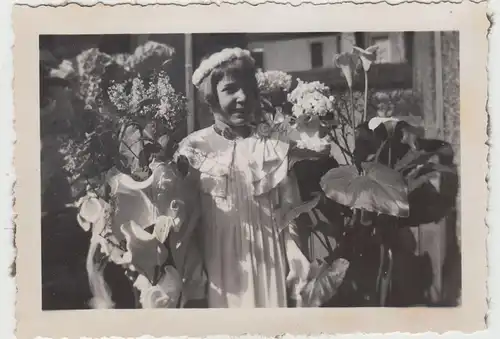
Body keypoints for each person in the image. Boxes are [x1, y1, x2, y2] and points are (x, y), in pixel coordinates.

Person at [173, 47, 315, 308]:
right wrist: (194, 275)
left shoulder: (273, 146)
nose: (242, 97)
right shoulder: (194, 148)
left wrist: (296, 264)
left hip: (269, 263)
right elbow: (186, 223)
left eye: (248, 89)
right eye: (230, 90)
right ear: (211, 96)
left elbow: (292, 214)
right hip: (219, 266)